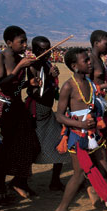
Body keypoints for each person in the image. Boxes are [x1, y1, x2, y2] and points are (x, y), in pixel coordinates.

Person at [54, 48, 107, 211]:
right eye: (85, 60)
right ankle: (61, 210)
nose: (90, 62)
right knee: (80, 173)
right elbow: (59, 115)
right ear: (74, 66)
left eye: (89, 59)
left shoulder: (89, 83)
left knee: (106, 169)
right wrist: (80, 124)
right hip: (77, 137)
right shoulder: (68, 86)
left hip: (94, 135)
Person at [0, 25, 40, 199]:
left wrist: (29, 83)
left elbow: (16, 86)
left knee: (29, 145)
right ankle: (0, 188)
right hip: (2, 109)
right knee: (2, 148)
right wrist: (20, 67)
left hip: (18, 108)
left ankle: (19, 181)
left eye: (26, 41)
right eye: (22, 42)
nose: (25, 45)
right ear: (9, 42)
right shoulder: (0, 57)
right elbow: (2, 83)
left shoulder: (21, 58)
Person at [25, 36, 71, 191]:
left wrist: (53, 78)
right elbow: (36, 93)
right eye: (43, 49)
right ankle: (21, 182)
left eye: (49, 48)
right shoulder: (32, 67)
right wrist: (50, 79)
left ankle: (55, 181)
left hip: (46, 112)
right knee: (32, 147)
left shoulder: (47, 64)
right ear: (35, 50)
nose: (48, 52)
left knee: (61, 141)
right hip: (36, 112)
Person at [89, 30, 107, 95]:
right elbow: (86, 84)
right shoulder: (90, 60)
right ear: (96, 43)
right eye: (106, 44)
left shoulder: (99, 59)